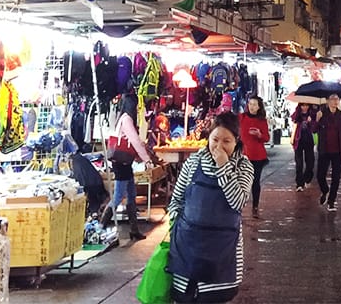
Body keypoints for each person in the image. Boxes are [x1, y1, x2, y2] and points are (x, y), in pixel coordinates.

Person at [167, 111, 254, 303]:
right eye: (215, 139)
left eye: (226, 141)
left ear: (237, 141)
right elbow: (176, 200)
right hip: (187, 251)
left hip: (222, 254)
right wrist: (180, 227)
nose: (219, 146)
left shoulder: (244, 166)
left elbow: (237, 202)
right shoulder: (193, 162)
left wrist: (224, 166)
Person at [109, 94, 155, 243]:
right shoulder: (127, 119)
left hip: (124, 163)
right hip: (121, 163)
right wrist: (147, 160)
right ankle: (101, 225)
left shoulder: (122, 117)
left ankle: (134, 230)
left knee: (131, 194)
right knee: (118, 196)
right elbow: (134, 140)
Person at [314, 91, 341, 211]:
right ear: (328, 101)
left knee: (336, 177)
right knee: (320, 175)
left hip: (337, 150)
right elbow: (314, 130)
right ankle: (325, 190)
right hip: (324, 150)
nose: (335, 101)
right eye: (332, 99)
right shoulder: (321, 114)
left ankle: (331, 201)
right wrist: (317, 119)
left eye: (337, 99)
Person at [238, 96, 270, 217]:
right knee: (241, 181)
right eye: (250, 104)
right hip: (243, 155)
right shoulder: (241, 118)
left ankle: (255, 206)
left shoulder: (262, 120)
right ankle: (239, 205)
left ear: (259, 107)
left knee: (255, 181)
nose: (252, 107)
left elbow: (267, 138)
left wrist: (259, 134)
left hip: (258, 156)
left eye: (254, 104)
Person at [291, 103, 317, 189]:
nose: (304, 107)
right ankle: (299, 184)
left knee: (310, 162)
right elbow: (293, 119)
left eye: (306, 105)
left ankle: (307, 178)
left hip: (309, 141)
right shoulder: (297, 114)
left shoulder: (312, 114)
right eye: (302, 105)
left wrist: (312, 121)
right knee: (299, 164)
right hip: (298, 141)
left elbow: (315, 129)